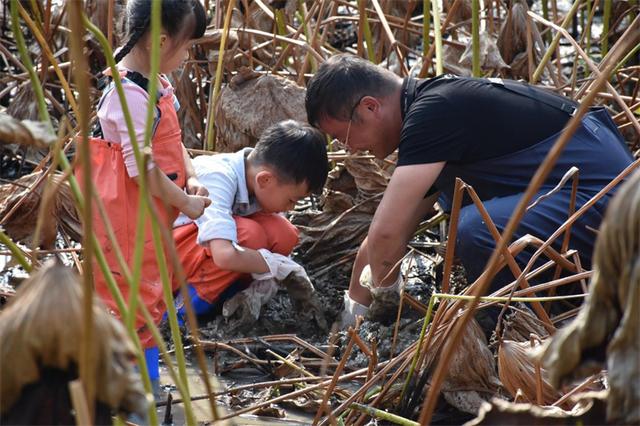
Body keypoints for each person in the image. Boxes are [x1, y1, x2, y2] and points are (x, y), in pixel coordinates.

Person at [304, 53, 634, 326]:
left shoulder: (432, 114)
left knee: (477, 228)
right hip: (597, 198)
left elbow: (386, 236)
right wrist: (352, 318)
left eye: (343, 136)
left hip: (608, 204)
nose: (348, 150)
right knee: (466, 210)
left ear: (370, 108)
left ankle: (510, 332)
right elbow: (387, 235)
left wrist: (385, 308)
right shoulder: (435, 105)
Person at [77, 0, 211, 393]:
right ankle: (124, 390)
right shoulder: (129, 95)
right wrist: (186, 204)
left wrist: (193, 177)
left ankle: (145, 385)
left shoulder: (157, 85)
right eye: (186, 47)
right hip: (125, 219)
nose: (188, 56)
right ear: (161, 42)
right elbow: (142, 170)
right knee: (127, 301)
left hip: (149, 217)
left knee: (148, 299)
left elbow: (173, 145)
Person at [172, 120, 329, 320]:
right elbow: (224, 255)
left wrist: (267, 276)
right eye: (292, 200)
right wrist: (277, 266)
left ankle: (229, 296)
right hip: (155, 260)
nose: (292, 208)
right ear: (265, 179)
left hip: (188, 252)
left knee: (284, 234)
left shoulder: (255, 179)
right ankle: (182, 310)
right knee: (249, 235)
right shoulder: (217, 178)